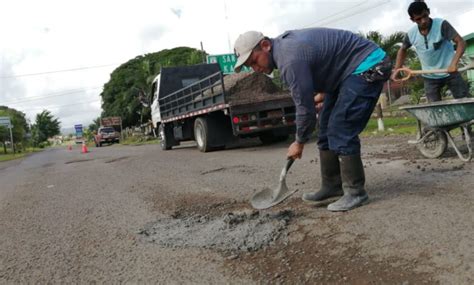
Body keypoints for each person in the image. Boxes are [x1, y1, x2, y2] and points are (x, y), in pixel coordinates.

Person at [233, 28, 391, 211]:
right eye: (250, 66)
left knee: (340, 128)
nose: (256, 69)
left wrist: (299, 141)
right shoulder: (285, 51)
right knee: (324, 127)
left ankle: (356, 192)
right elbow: (326, 62)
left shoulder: (289, 59)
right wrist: (320, 94)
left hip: (368, 65)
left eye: (254, 61)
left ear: (265, 45)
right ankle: (332, 186)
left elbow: (305, 110)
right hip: (346, 73)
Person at [391, 0, 469, 101]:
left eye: (425, 16)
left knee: (464, 101)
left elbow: (461, 42)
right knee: (434, 108)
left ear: (428, 11)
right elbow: (402, 50)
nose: (423, 21)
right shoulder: (411, 34)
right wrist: (397, 69)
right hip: (429, 76)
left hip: (450, 72)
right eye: (418, 19)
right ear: (412, 19)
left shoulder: (441, 25)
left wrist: (453, 64)